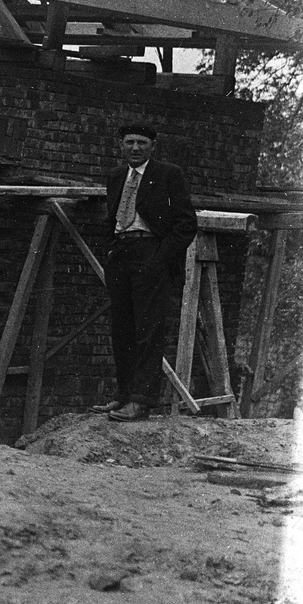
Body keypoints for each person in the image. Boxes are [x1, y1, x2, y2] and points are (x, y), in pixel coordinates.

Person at [91, 123, 197, 423]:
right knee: (121, 328)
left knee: (148, 330)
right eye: (129, 142)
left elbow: (186, 223)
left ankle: (141, 401)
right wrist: (111, 248)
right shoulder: (115, 176)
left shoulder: (168, 174)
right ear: (120, 145)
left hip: (151, 254)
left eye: (141, 143)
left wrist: (160, 259)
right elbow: (111, 217)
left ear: (153, 145)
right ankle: (123, 395)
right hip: (121, 254)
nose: (135, 148)